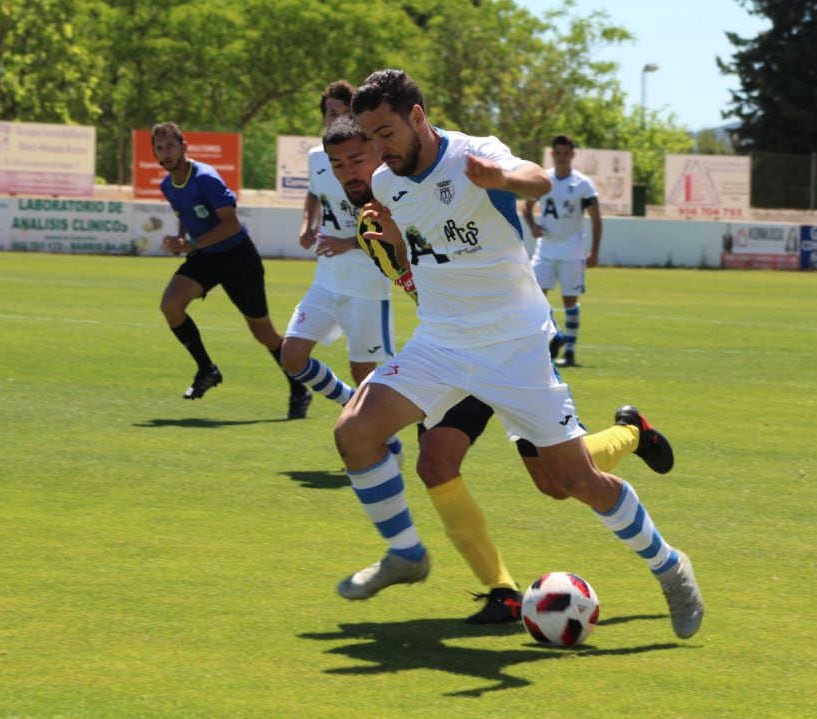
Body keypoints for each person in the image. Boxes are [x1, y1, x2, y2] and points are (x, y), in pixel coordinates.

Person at [332, 70, 703, 639]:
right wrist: (390, 246)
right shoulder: (386, 184)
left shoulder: (475, 154)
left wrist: (502, 176)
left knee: (572, 482)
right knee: (355, 431)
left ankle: (670, 565)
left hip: (515, 345)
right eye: (371, 137)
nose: (379, 149)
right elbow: (413, 248)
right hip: (441, 342)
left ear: (418, 116)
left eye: (386, 132)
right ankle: (406, 554)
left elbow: (534, 182)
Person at [151, 121, 310, 416]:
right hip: (207, 256)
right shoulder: (167, 185)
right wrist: (181, 239)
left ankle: (299, 388)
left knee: (263, 333)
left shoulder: (206, 178)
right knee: (170, 305)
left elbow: (231, 223)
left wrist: (192, 244)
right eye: (160, 148)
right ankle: (207, 369)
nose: (166, 152)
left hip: (238, 257)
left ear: (184, 147)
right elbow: (185, 215)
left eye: (171, 146)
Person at [279, 80, 396, 426]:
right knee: (292, 356)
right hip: (328, 278)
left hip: (368, 284)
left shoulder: (377, 160)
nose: (335, 120)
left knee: (365, 375)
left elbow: (397, 225)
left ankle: (382, 437)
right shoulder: (318, 158)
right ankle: (350, 403)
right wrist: (307, 222)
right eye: (330, 114)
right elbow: (314, 192)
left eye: (342, 113)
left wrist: (349, 242)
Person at [522, 135, 603, 368]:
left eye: (566, 153)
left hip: (572, 252)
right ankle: (555, 334)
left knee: (570, 302)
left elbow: (597, 219)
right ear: (552, 154)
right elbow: (527, 207)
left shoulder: (583, 184)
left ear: (572, 155)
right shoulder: (543, 179)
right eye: (557, 153)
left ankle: (569, 353)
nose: (561, 157)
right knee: (534, 297)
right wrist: (532, 226)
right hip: (545, 250)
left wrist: (594, 251)